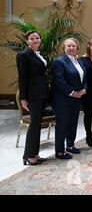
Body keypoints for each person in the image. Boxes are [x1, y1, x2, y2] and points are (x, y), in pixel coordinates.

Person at [16, 30, 50, 165]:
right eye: (32, 38)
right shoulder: (23, 55)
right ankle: (28, 155)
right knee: (34, 124)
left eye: (37, 38)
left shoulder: (38, 54)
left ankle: (35, 153)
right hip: (32, 95)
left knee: (38, 124)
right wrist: (23, 98)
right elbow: (22, 78)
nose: (35, 40)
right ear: (27, 41)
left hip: (41, 93)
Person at [52, 38, 87, 160]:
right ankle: (59, 151)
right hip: (63, 99)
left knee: (73, 123)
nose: (71, 48)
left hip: (77, 98)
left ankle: (70, 145)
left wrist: (84, 89)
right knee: (62, 125)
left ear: (77, 48)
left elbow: (84, 77)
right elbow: (59, 80)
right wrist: (72, 92)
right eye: (69, 46)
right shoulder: (59, 61)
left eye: (73, 46)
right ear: (64, 48)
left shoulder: (79, 61)